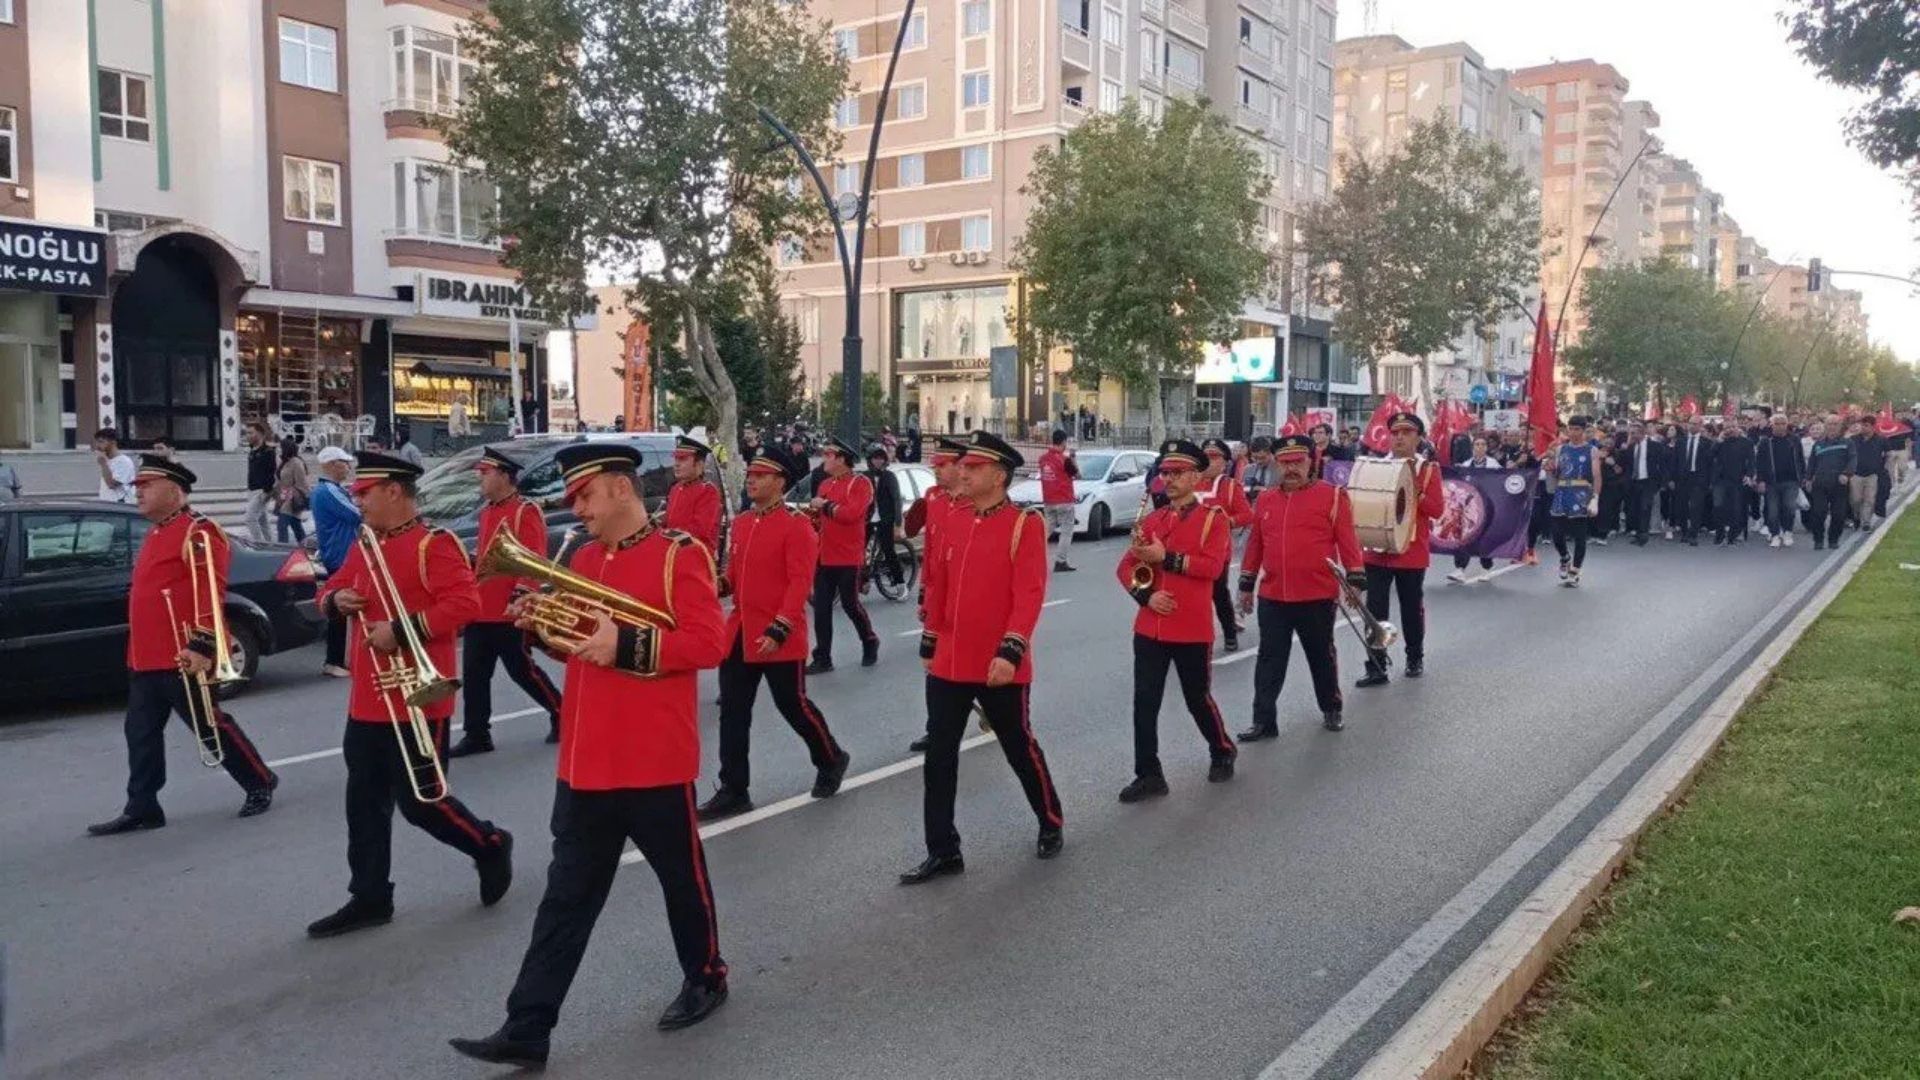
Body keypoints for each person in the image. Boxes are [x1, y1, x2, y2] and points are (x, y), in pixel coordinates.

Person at [448, 443, 731, 1068]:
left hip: (653, 757)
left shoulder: (679, 555)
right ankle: (528, 1023)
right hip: (584, 759)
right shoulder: (579, 555)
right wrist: (542, 629)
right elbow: (579, 647)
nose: (577, 509)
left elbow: (709, 642)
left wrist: (625, 645)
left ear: (622, 489)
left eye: (585, 495)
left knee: (681, 882)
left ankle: (707, 975)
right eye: (573, 498)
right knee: (565, 897)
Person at [306, 450, 513, 939]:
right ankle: (370, 895)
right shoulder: (367, 544)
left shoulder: (432, 543)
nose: (359, 501)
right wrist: (334, 600)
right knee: (363, 801)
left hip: (418, 694)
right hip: (368, 698)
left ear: (394, 491)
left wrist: (401, 631)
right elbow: (330, 588)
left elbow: (464, 604)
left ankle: (488, 843)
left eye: (365, 493)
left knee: (422, 803)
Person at [86, 456, 280, 836]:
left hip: (184, 655)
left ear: (174, 491)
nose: (138, 491)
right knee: (140, 734)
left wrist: (201, 645)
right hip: (146, 657)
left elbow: (210, 593)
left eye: (147, 485)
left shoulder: (199, 533)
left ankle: (259, 780)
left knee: (211, 727)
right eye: (138, 485)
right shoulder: (157, 531)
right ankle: (143, 806)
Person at [902, 430, 1063, 885]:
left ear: (999, 475)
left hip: (998, 663)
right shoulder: (955, 518)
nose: (964, 472)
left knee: (1018, 745)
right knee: (939, 755)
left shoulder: (1023, 524)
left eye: (974, 467)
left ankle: (1050, 819)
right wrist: (929, 641)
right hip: (952, 660)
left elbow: (1028, 594)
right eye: (964, 466)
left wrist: (1011, 650)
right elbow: (939, 581)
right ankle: (943, 849)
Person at [698, 445, 851, 821]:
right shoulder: (743, 524)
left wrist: (780, 626)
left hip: (778, 634)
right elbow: (734, 577)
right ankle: (734, 788)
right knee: (733, 713)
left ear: (780, 482)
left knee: (793, 706)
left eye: (760, 475)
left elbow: (799, 583)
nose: (751, 480)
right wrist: (709, 586)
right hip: (740, 633)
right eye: (750, 475)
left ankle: (831, 757)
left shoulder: (797, 526)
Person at [1114, 439, 1238, 802]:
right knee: (1144, 702)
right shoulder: (1153, 519)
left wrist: (1165, 558)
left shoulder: (1213, 520)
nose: (1169, 479)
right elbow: (1126, 569)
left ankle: (1221, 748)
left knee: (1196, 698)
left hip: (1191, 628)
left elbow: (1213, 568)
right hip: (1149, 626)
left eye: (1177, 473)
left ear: (1196, 477)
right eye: (1165, 473)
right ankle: (1149, 773)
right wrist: (1146, 595)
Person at [1236, 434, 1366, 737]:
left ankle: (1331, 707)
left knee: (1321, 655)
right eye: (1285, 462)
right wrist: (1246, 585)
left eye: (1298, 462)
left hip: (1317, 595)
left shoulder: (1333, 496)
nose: (1291, 468)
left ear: (1312, 462)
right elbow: (1255, 546)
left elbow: (1348, 543)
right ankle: (1264, 721)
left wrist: (1356, 579)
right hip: (1274, 595)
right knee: (1269, 659)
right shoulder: (1266, 499)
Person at [451, 447, 565, 757]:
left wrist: (521, 596)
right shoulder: (488, 512)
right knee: (475, 675)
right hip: (482, 607)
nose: (481, 478)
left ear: (503, 475)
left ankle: (562, 713)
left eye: (485, 473)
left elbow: (532, 559)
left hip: (508, 609)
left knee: (522, 670)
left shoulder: (523, 511)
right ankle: (477, 734)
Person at [1357, 413, 1443, 685]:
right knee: (1375, 610)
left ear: (1418, 437)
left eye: (1407, 432)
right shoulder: (1375, 466)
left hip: (1411, 551)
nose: (1400, 437)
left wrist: (1415, 490)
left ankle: (1414, 656)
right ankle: (1376, 665)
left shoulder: (1428, 470)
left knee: (1410, 608)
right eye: (1395, 433)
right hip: (1377, 549)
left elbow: (1437, 510)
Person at [905, 436, 970, 755]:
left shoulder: (976, 503)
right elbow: (931, 551)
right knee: (935, 666)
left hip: (967, 600)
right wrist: (923, 594)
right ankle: (937, 728)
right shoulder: (933, 498)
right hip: (937, 597)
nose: (936, 472)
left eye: (943, 466)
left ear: (961, 467)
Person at [806, 437, 880, 673]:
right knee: (821, 608)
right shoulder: (825, 484)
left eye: (829, 455)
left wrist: (824, 506)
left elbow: (852, 514)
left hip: (849, 557)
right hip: (825, 555)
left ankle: (869, 640)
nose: (824, 459)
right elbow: (819, 519)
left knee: (850, 605)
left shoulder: (860, 483)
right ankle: (823, 657)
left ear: (842, 459)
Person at [1195, 438, 1254, 652]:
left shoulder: (1229, 487)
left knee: (1218, 594)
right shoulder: (1190, 482)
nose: (1209, 462)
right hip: (1189, 549)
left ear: (1224, 462)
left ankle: (1229, 633)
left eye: (1214, 457)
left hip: (1217, 551)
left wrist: (1226, 522)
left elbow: (1247, 514)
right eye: (1206, 457)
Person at [312, 446, 361, 677]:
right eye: (344, 463)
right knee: (339, 608)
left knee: (343, 609)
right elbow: (355, 514)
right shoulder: (327, 491)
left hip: (342, 554)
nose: (348, 467)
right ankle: (334, 660)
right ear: (332, 465)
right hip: (339, 555)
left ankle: (340, 658)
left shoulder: (334, 490)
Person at [1547, 417, 1603, 586]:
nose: (1573, 433)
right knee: (1556, 533)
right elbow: (1558, 473)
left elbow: (1597, 476)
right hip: (1562, 492)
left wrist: (1595, 498)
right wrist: (1550, 468)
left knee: (1579, 535)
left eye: (1577, 429)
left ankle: (1575, 571)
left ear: (1584, 431)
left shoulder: (1591, 450)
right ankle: (1565, 557)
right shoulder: (1560, 449)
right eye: (1571, 429)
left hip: (1580, 493)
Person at [1447, 436, 1502, 580]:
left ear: (1486, 447)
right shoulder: (1466, 465)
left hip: (1487, 505)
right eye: (1477, 444)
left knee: (1484, 537)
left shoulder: (1493, 464)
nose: (1480, 447)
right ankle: (1460, 568)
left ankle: (1486, 568)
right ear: (1473, 448)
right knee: (1464, 536)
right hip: (1471, 507)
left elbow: (1501, 481)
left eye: (1483, 444)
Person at [662, 435, 722, 557]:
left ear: (699, 464)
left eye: (682, 459)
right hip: (674, 554)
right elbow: (668, 522)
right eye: (676, 459)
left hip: (695, 557)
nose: (676, 464)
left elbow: (698, 531)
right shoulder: (676, 488)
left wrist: (664, 534)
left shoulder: (708, 491)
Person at [1754, 413, 1806, 547]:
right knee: (1772, 511)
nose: (1780, 426)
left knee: (1789, 507)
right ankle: (1775, 534)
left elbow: (1800, 460)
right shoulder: (1766, 441)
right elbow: (1759, 462)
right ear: (1772, 425)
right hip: (1771, 482)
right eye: (1777, 423)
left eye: (1783, 423)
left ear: (1787, 424)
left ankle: (1788, 531)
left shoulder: (1794, 440)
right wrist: (1760, 480)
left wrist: (1803, 477)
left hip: (1791, 481)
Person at [1804, 420, 1855, 551]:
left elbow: (1852, 460)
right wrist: (1808, 479)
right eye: (1829, 424)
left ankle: (1833, 539)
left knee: (1839, 514)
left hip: (1839, 483)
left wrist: (1846, 474)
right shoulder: (1818, 444)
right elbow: (1811, 463)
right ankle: (1818, 539)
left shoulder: (1847, 443)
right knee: (1819, 512)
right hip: (1820, 483)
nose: (1832, 427)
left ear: (1840, 427)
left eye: (1835, 424)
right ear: (1825, 427)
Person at [1621, 422, 1672, 547]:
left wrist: (1664, 481)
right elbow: (1626, 464)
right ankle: (1638, 532)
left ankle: (1643, 534)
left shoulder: (1655, 446)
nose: (1632, 435)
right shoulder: (1631, 447)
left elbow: (1663, 464)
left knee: (1645, 506)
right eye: (1630, 433)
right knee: (1635, 508)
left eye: (1634, 433)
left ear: (1642, 433)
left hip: (1649, 481)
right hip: (1634, 481)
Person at [1037, 429, 1081, 572]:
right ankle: (1060, 561)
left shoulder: (1043, 459)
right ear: (1063, 442)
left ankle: (1032, 552)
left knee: (1047, 529)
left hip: (1048, 500)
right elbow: (1078, 475)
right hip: (1064, 500)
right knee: (1066, 531)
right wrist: (1073, 457)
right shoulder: (1065, 460)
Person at [864, 442, 906, 589]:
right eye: (875, 458)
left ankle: (900, 583)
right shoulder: (864, 477)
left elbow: (896, 500)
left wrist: (898, 524)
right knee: (859, 551)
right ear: (870, 460)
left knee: (888, 551)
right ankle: (863, 581)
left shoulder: (889, 476)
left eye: (881, 458)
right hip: (867, 519)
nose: (878, 461)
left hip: (885, 520)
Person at [1710, 420, 1754, 546]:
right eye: (1727, 428)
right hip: (1720, 479)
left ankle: (1732, 536)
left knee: (1736, 509)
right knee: (1718, 506)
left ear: (1738, 427)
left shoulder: (1746, 442)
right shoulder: (1720, 441)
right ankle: (1720, 533)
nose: (1730, 430)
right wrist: (1719, 441)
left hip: (1737, 479)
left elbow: (1751, 460)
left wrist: (1749, 475)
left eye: (1733, 427)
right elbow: (1710, 455)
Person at [1672, 416, 1712, 546]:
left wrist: (1709, 480)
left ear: (1701, 425)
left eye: (1695, 424)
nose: (1692, 426)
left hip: (1699, 478)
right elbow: (1675, 461)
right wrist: (1672, 479)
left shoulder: (1707, 443)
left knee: (1696, 507)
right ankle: (1684, 532)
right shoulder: (1681, 441)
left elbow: (1710, 463)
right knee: (1682, 506)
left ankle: (1693, 534)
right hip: (1682, 478)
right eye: (1690, 423)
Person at [1848, 416, 1886, 532]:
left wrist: (1884, 468)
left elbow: (1888, 454)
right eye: (1862, 425)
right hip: (1856, 474)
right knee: (1856, 499)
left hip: (1872, 475)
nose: (1863, 428)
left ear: (1873, 427)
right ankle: (1856, 516)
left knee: (1869, 499)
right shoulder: (1853, 440)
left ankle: (1866, 522)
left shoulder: (1881, 440)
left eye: (1866, 425)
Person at [239, 422, 275, 537]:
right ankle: (269, 546)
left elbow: (271, 472)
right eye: (246, 433)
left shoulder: (268, 451)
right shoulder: (252, 450)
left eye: (251, 433)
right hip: (252, 489)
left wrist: (267, 491)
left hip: (262, 491)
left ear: (259, 434)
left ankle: (259, 545)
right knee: (263, 521)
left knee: (250, 519)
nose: (247, 436)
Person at [274, 436, 311, 545]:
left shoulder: (296, 462)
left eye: (280, 448)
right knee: (296, 524)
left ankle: (282, 548)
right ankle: (305, 546)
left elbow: (302, 483)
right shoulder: (285, 462)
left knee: (282, 524)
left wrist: (294, 495)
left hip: (293, 497)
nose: (278, 450)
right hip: (284, 495)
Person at [94, 427, 138, 505]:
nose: (97, 446)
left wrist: (104, 464)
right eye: (96, 442)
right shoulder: (107, 460)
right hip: (107, 504)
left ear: (113, 443)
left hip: (120, 506)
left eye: (101, 442)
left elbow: (111, 484)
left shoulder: (124, 461)